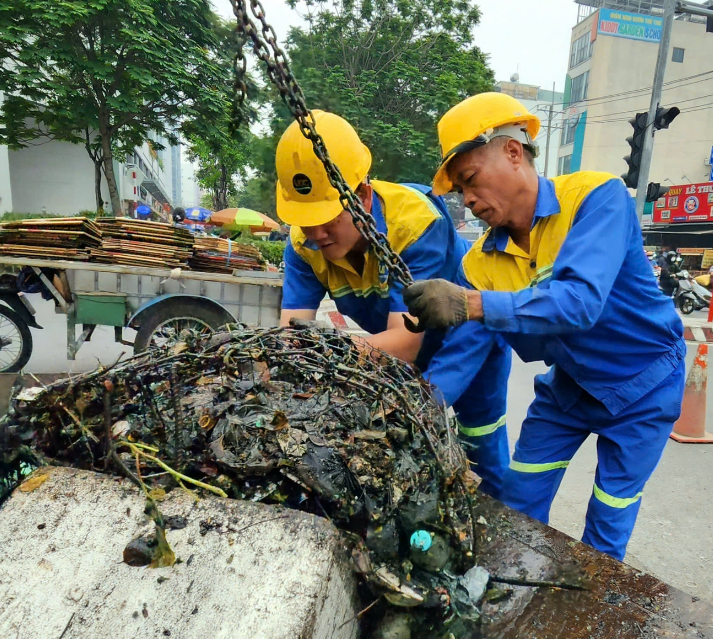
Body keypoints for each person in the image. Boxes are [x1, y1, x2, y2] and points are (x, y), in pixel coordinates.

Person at [403, 92, 685, 560]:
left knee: (607, 520)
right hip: (570, 389)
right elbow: (463, 353)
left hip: (644, 386)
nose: (468, 199)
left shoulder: (597, 199)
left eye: (470, 180)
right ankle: (520, 597)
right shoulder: (479, 263)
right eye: (459, 190)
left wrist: (472, 303)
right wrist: (414, 411)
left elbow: (578, 303)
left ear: (513, 152)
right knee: (520, 503)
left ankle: (587, 616)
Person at [276, 110, 512, 499]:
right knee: (396, 458)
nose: (316, 234)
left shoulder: (415, 224)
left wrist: (322, 353)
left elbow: (405, 342)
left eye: (328, 218)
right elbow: (291, 338)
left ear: (363, 197)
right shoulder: (303, 246)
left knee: (479, 448)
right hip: (385, 350)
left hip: (464, 340)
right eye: (305, 221)